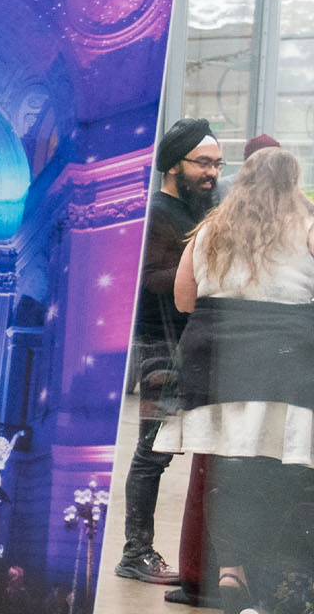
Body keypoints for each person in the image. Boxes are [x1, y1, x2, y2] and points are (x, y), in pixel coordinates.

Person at [164, 146, 314, 613]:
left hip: (217, 361)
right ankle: (267, 590)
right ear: (293, 184)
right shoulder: (308, 228)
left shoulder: (209, 230)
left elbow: (184, 298)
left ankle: (231, 572)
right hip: (284, 364)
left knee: (226, 472)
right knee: (278, 472)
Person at [119, 117, 219, 587]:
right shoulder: (156, 212)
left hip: (190, 343)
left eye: (217, 164)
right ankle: (134, 553)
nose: (212, 172)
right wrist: (197, 276)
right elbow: (145, 280)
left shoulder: (201, 212)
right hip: (159, 344)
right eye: (202, 162)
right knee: (152, 451)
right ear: (173, 165)